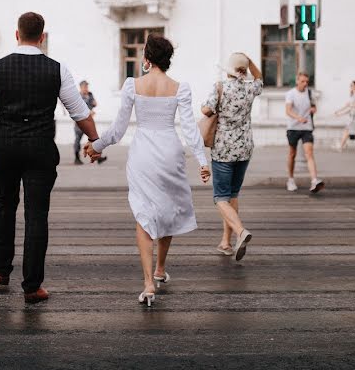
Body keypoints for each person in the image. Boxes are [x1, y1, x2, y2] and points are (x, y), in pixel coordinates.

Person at [0, 12, 100, 304]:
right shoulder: (58, 69)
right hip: (40, 148)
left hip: (7, 147)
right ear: (42, 37)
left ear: (16, 34)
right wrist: (95, 140)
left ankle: (2, 271)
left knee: (4, 205)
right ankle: (32, 287)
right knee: (36, 214)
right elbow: (79, 112)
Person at [85, 35, 211, 307]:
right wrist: (202, 160)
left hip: (143, 154)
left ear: (147, 57)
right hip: (170, 151)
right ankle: (160, 268)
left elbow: (118, 130)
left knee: (144, 213)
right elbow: (189, 129)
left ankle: (148, 284)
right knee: (167, 209)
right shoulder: (180, 87)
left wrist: (97, 145)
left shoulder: (133, 84)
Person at [201, 53, 262, 261]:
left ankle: (240, 231)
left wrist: (210, 107)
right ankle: (226, 243)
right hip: (244, 148)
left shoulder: (221, 87)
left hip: (223, 150)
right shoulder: (250, 88)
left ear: (229, 70)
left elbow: (207, 110)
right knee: (232, 195)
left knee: (220, 198)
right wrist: (249, 61)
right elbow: (260, 78)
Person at [285, 72, 324, 194]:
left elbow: (314, 107)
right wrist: (298, 118)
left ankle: (314, 181)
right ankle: (290, 179)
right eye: (302, 81)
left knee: (309, 153)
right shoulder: (290, 93)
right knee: (292, 154)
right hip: (293, 128)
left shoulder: (310, 93)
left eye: (307, 81)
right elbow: (288, 110)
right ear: (297, 81)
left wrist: (313, 109)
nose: (305, 84)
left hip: (307, 128)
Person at [73, 80, 106, 165]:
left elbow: (94, 104)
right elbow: (76, 109)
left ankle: (98, 157)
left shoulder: (90, 95)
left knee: (95, 139)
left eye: (87, 86)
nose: (86, 88)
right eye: (84, 87)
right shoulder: (77, 97)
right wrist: (88, 112)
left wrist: (94, 104)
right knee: (78, 140)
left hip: (89, 122)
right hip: (79, 123)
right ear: (81, 87)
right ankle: (76, 158)